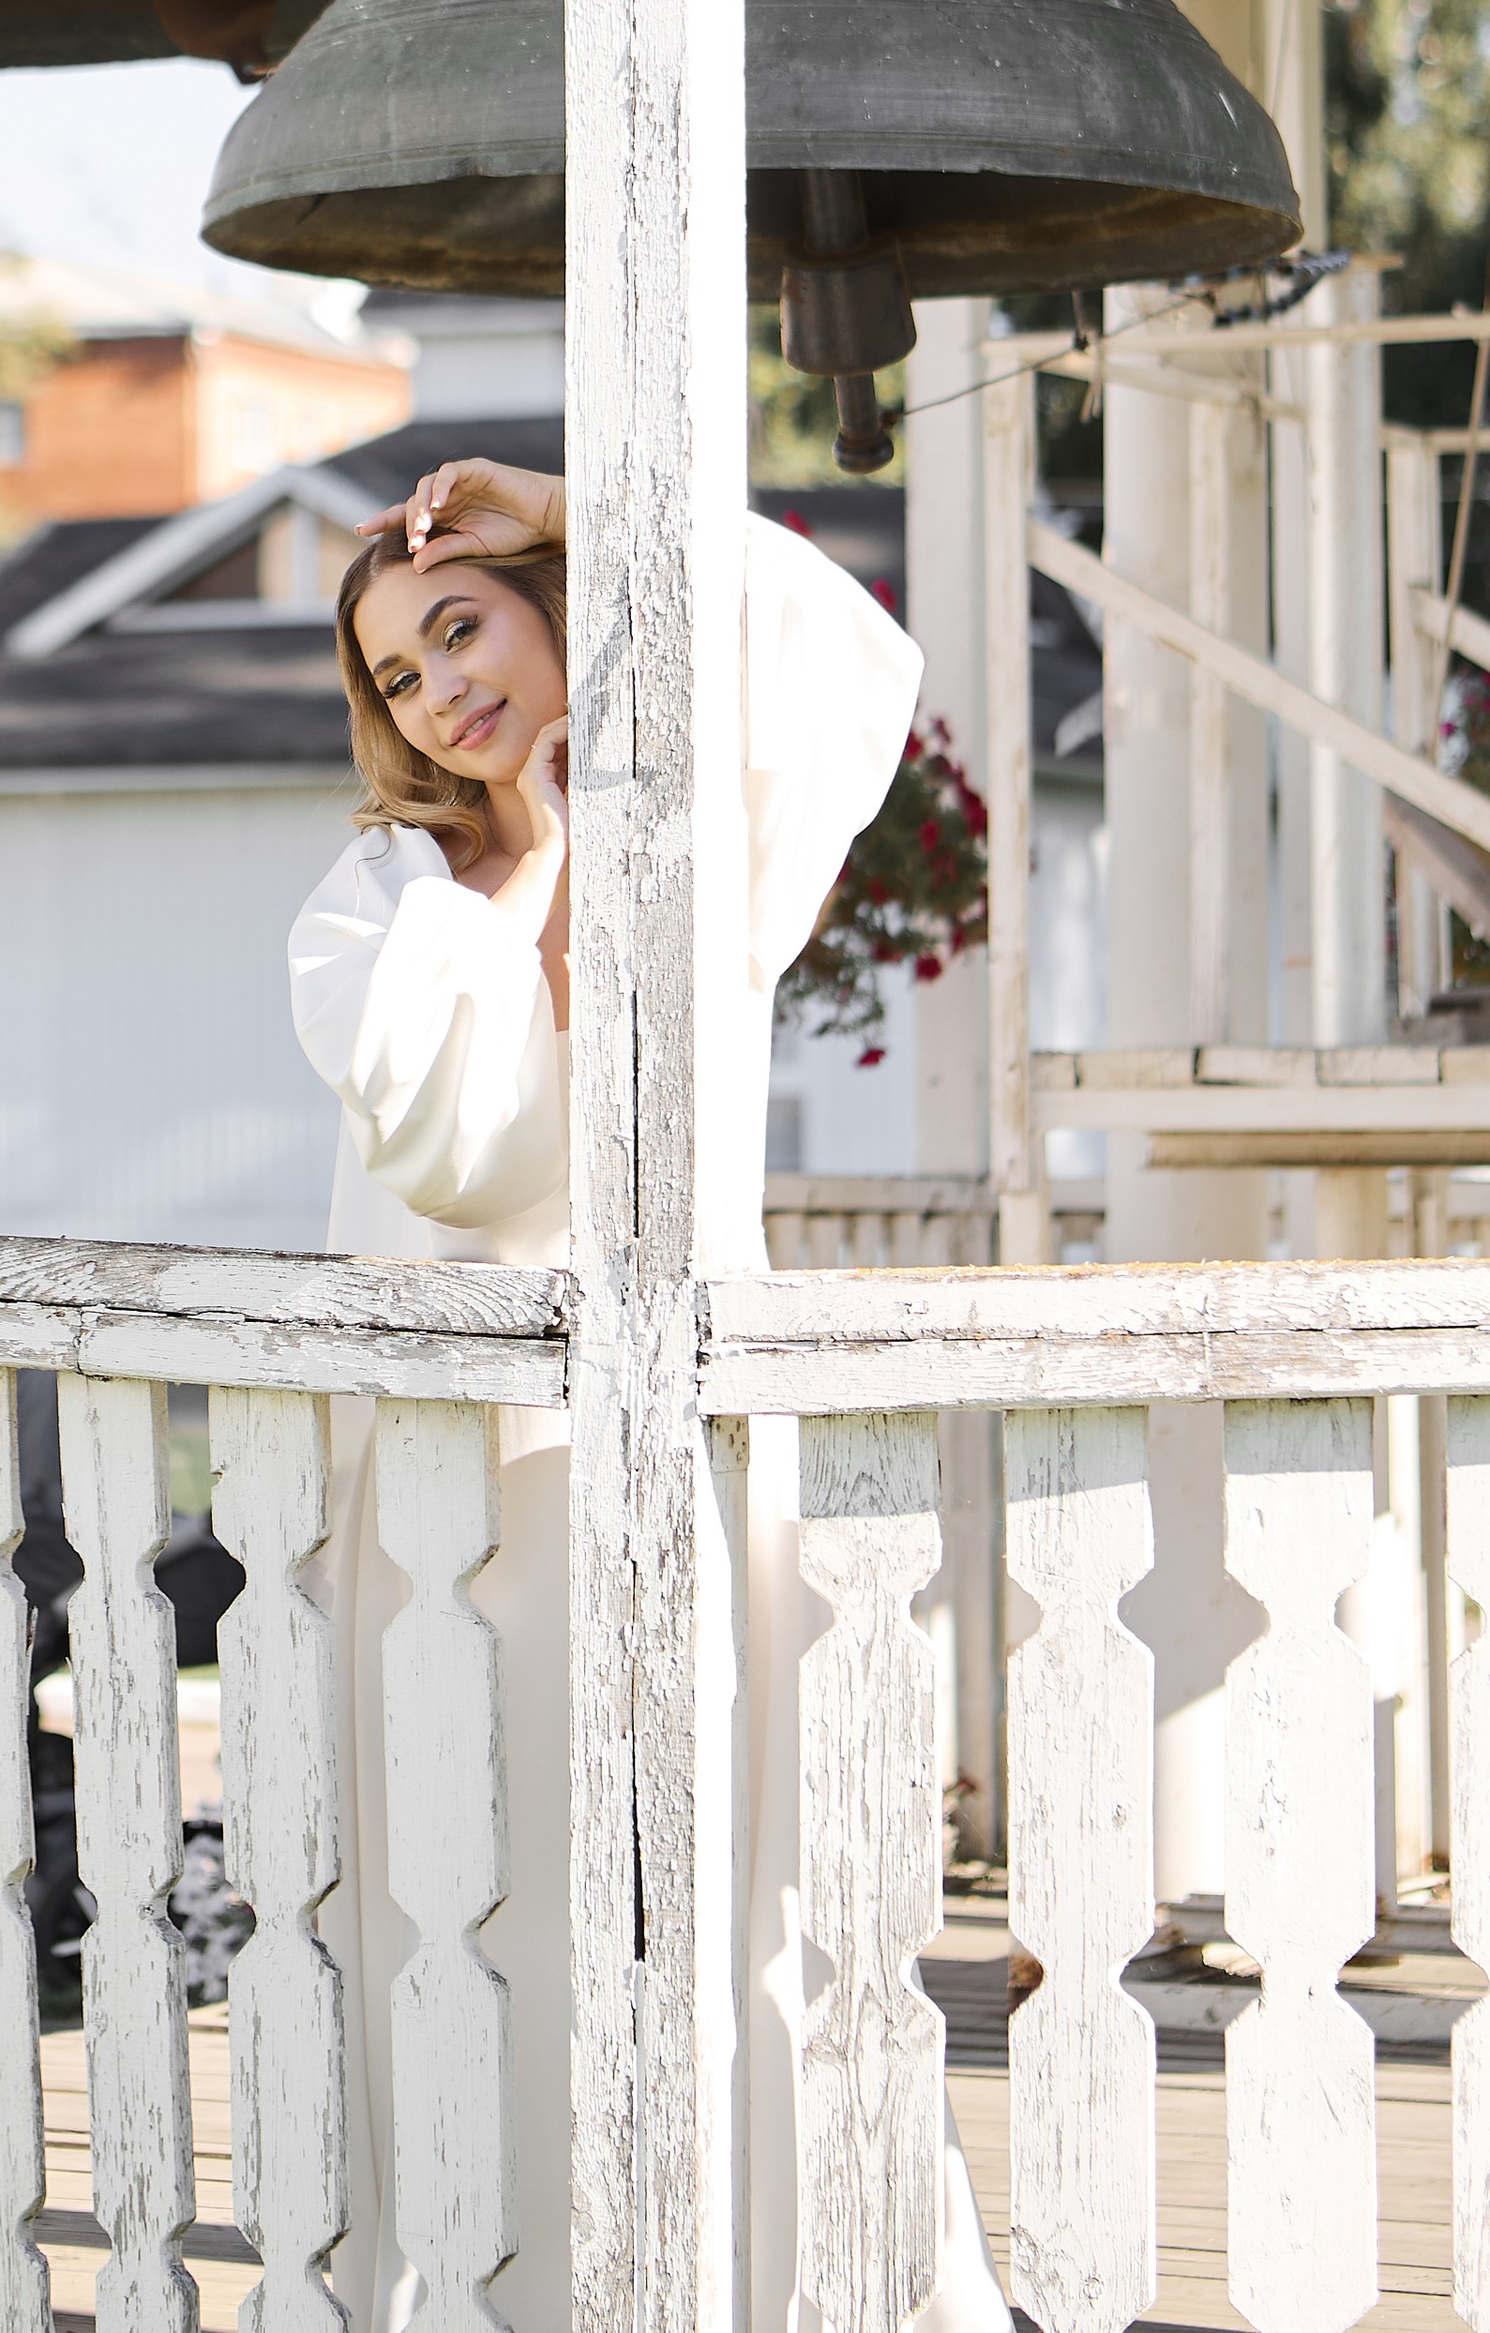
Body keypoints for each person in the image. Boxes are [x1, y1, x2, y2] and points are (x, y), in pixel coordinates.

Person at [289, 454, 1008, 2333]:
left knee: (731, 1887)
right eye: (398, 671)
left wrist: (574, 492)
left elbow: (839, 637)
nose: (442, 688)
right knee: (478, 1886)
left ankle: (781, 2284)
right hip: (465, 1477)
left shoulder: (708, 840)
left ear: (544, 605)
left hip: (682, 1440)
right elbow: (468, 1149)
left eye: (465, 621)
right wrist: (526, 860)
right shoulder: (380, 897)